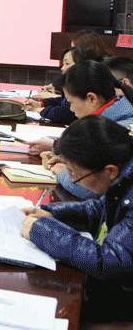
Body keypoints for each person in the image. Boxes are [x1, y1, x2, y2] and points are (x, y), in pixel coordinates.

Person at [21, 116, 133, 322]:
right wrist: (53, 214)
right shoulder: (123, 175)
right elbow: (100, 209)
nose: (73, 180)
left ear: (110, 171)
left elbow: (112, 262)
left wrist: (43, 231)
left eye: (74, 174)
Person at [29, 60, 133, 199]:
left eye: (71, 102)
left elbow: (93, 188)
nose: (71, 109)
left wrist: (63, 173)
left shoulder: (118, 130)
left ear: (91, 99)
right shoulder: (116, 112)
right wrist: (71, 164)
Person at [24, 46, 98, 124]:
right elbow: (62, 101)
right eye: (63, 64)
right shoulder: (71, 85)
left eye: (67, 64)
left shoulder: (83, 86)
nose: (62, 68)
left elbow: (66, 113)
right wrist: (40, 104)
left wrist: (40, 110)